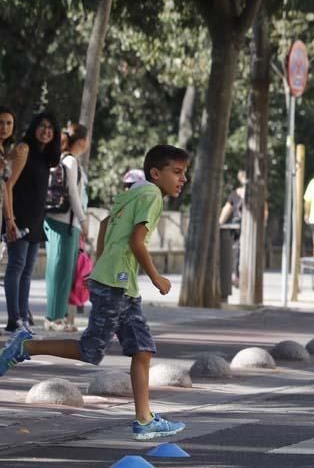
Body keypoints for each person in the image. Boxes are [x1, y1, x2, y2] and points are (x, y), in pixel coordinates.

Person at [0, 144, 189, 441]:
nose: (183, 179)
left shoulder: (133, 193)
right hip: (117, 285)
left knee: (142, 350)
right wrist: (156, 277)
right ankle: (26, 346)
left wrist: (100, 266)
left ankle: (144, 420)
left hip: (119, 284)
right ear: (156, 173)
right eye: (177, 172)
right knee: (91, 349)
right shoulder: (152, 196)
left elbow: (104, 226)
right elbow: (138, 242)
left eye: (185, 173)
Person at [3, 112, 61, 333]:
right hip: (19, 217)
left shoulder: (45, 155)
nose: (46, 131)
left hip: (36, 219)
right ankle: (14, 319)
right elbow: (8, 186)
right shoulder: (24, 148)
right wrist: (10, 219)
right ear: (34, 127)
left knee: (27, 270)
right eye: (42, 126)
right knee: (16, 267)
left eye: (51, 128)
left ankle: (23, 317)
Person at [42, 123, 90, 332]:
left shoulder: (69, 160)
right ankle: (53, 317)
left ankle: (59, 316)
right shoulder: (70, 160)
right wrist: (83, 220)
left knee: (64, 271)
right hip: (63, 222)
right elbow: (73, 193)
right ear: (82, 141)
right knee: (58, 270)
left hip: (66, 222)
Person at [0, 106, 16, 253]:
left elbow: (4, 186)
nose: (4, 127)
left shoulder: (5, 150)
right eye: (0, 122)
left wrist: (9, 219)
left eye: (9, 123)